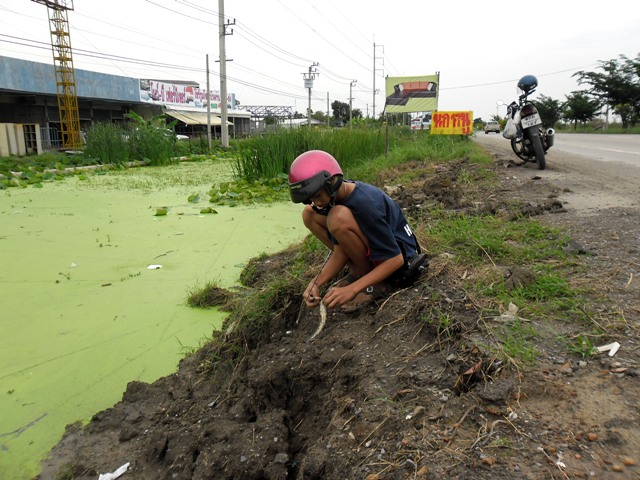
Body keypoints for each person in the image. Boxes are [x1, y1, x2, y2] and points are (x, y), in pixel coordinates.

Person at [288, 149, 425, 312]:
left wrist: (352, 289)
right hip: (377, 251)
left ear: (332, 182)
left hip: (397, 263)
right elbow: (340, 250)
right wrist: (316, 283)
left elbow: (396, 259)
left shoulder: (365, 204)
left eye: (317, 196)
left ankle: (376, 283)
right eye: (310, 199)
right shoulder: (336, 199)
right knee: (309, 214)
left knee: (337, 217)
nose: (316, 203)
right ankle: (359, 271)